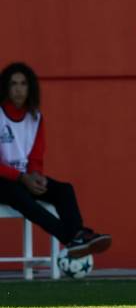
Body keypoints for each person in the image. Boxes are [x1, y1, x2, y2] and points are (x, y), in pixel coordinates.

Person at [0, 62, 112, 258]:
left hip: (23, 178)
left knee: (63, 190)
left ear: (30, 87)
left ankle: (77, 235)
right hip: (5, 182)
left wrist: (36, 175)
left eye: (23, 84)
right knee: (19, 195)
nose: (18, 89)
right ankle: (71, 238)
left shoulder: (35, 117)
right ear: (6, 88)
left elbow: (35, 155)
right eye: (13, 84)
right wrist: (21, 178)